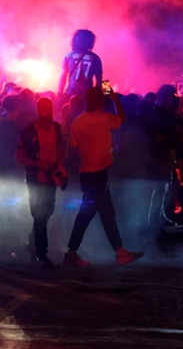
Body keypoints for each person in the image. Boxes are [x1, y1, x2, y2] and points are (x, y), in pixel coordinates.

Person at [64, 86, 143, 267]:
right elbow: (122, 119)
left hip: (86, 173)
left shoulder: (78, 121)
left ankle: (73, 253)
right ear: (100, 101)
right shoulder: (105, 118)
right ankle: (119, 252)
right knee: (104, 213)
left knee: (89, 213)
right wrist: (113, 98)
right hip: (99, 173)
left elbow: (73, 148)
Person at [17, 98, 67, 267]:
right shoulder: (29, 131)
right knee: (39, 213)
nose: (48, 113)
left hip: (51, 177)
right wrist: (38, 164)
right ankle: (41, 252)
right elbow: (20, 157)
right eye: (44, 109)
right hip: (35, 178)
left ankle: (33, 242)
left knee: (48, 211)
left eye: (49, 109)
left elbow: (59, 149)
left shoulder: (56, 128)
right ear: (38, 110)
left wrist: (59, 169)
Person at [58, 29, 103, 100]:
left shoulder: (68, 57)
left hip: (71, 93)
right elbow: (100, 80)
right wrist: (107, 95)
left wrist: (60, 94)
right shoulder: (96, 58)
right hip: (88, 95)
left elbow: (62, 78)